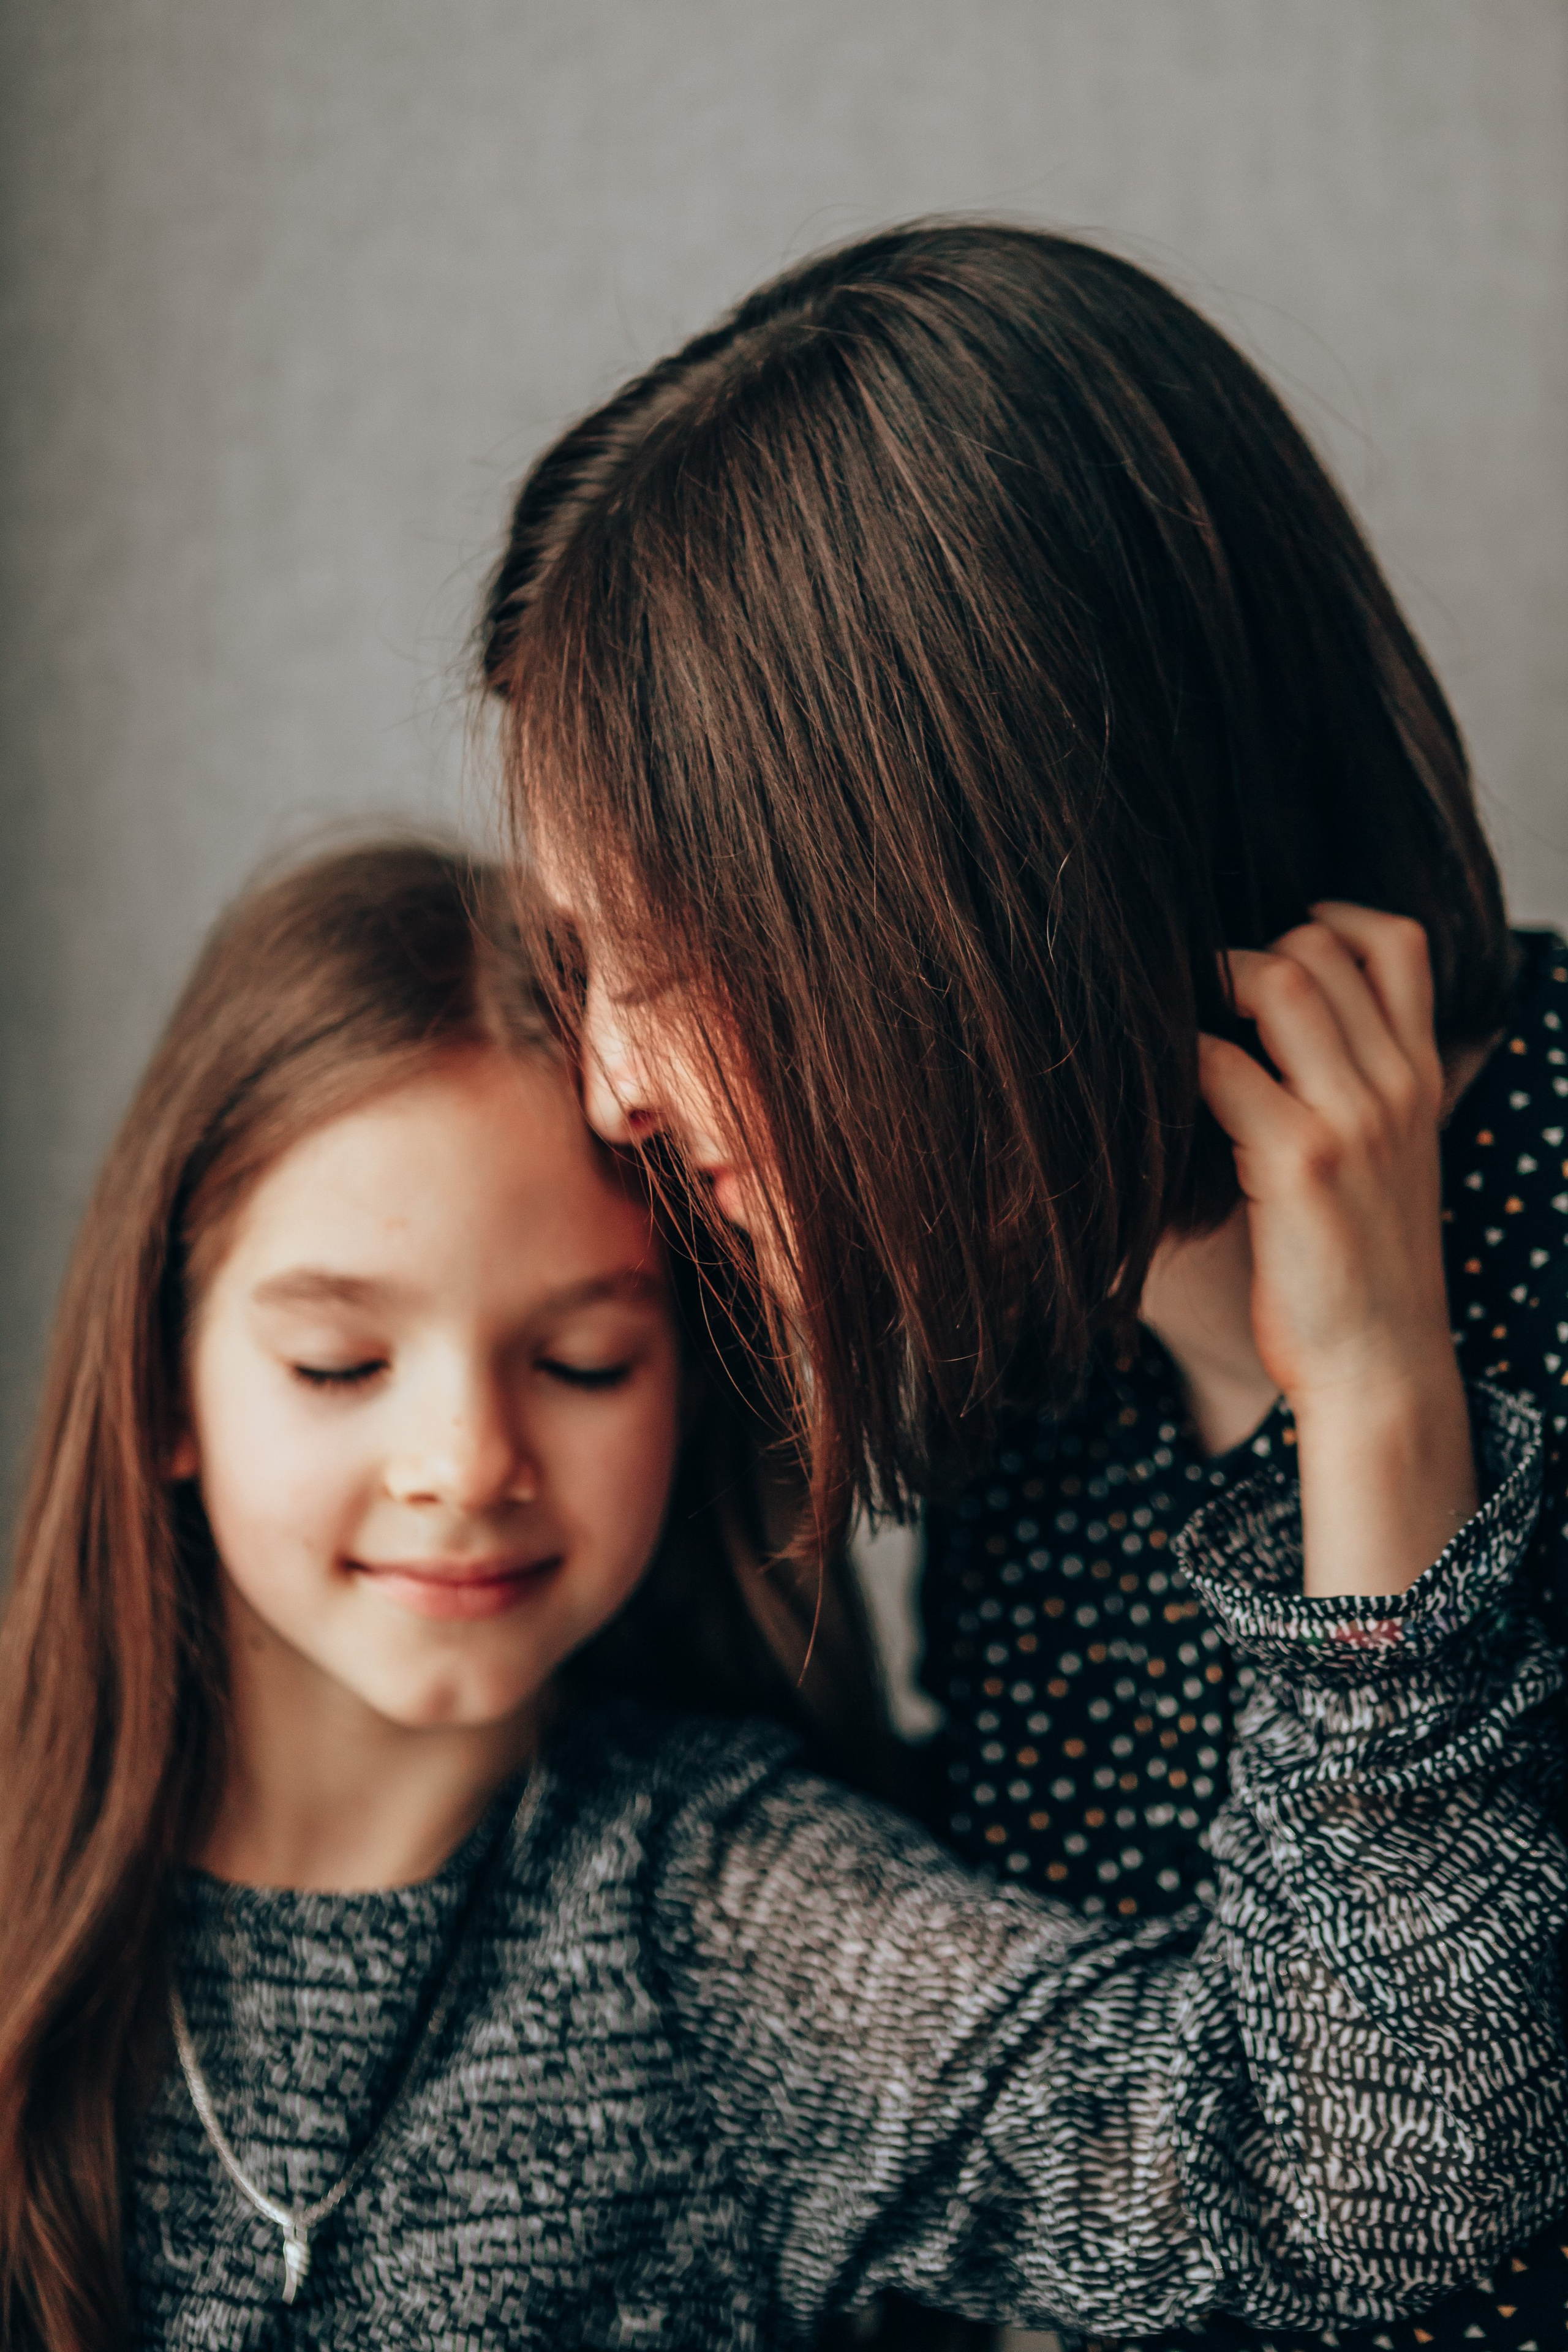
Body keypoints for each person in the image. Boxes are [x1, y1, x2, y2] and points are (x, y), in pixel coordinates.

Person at [0, 841, 1561, 2352]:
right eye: (338, 1363)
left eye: (582, 1363)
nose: (465, 1464)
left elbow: (1362, 2174)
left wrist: (1369, 1385)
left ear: (689, 1388)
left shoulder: (732, 1923)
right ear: (165, 1384)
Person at [478, 221, 1568, 2348]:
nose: (611, 1081)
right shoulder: (1031, 1368)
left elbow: (1403, 2198)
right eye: (580, 960)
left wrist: (1376, 1409)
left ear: (971, 876)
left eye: (671, 953)